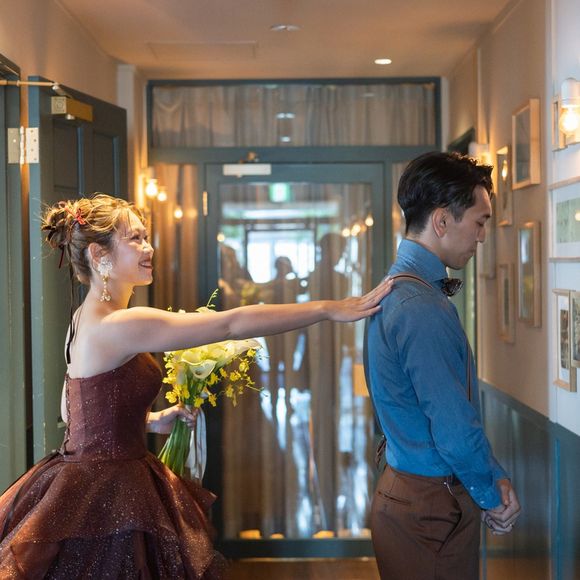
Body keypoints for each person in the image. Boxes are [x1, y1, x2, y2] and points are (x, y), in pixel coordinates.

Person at [0, 193, 393, 578]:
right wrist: (327, 309)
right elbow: (230, 324)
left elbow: (72, 411)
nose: (148, 247)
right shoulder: (120, 323)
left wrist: (151, 421)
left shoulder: (82, 319)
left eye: (145, 236)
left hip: (82, 480)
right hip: (109, 493)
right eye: (134, 239)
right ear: (99, 255)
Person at [365, 152, 521, 580]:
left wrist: (490, 477)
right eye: (479, 222)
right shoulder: (419, 305)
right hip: (429, 508)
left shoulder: (400, 289)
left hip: (415, 497)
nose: (482, 236)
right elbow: (452, 425)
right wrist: (491, 493)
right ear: (441, 221)